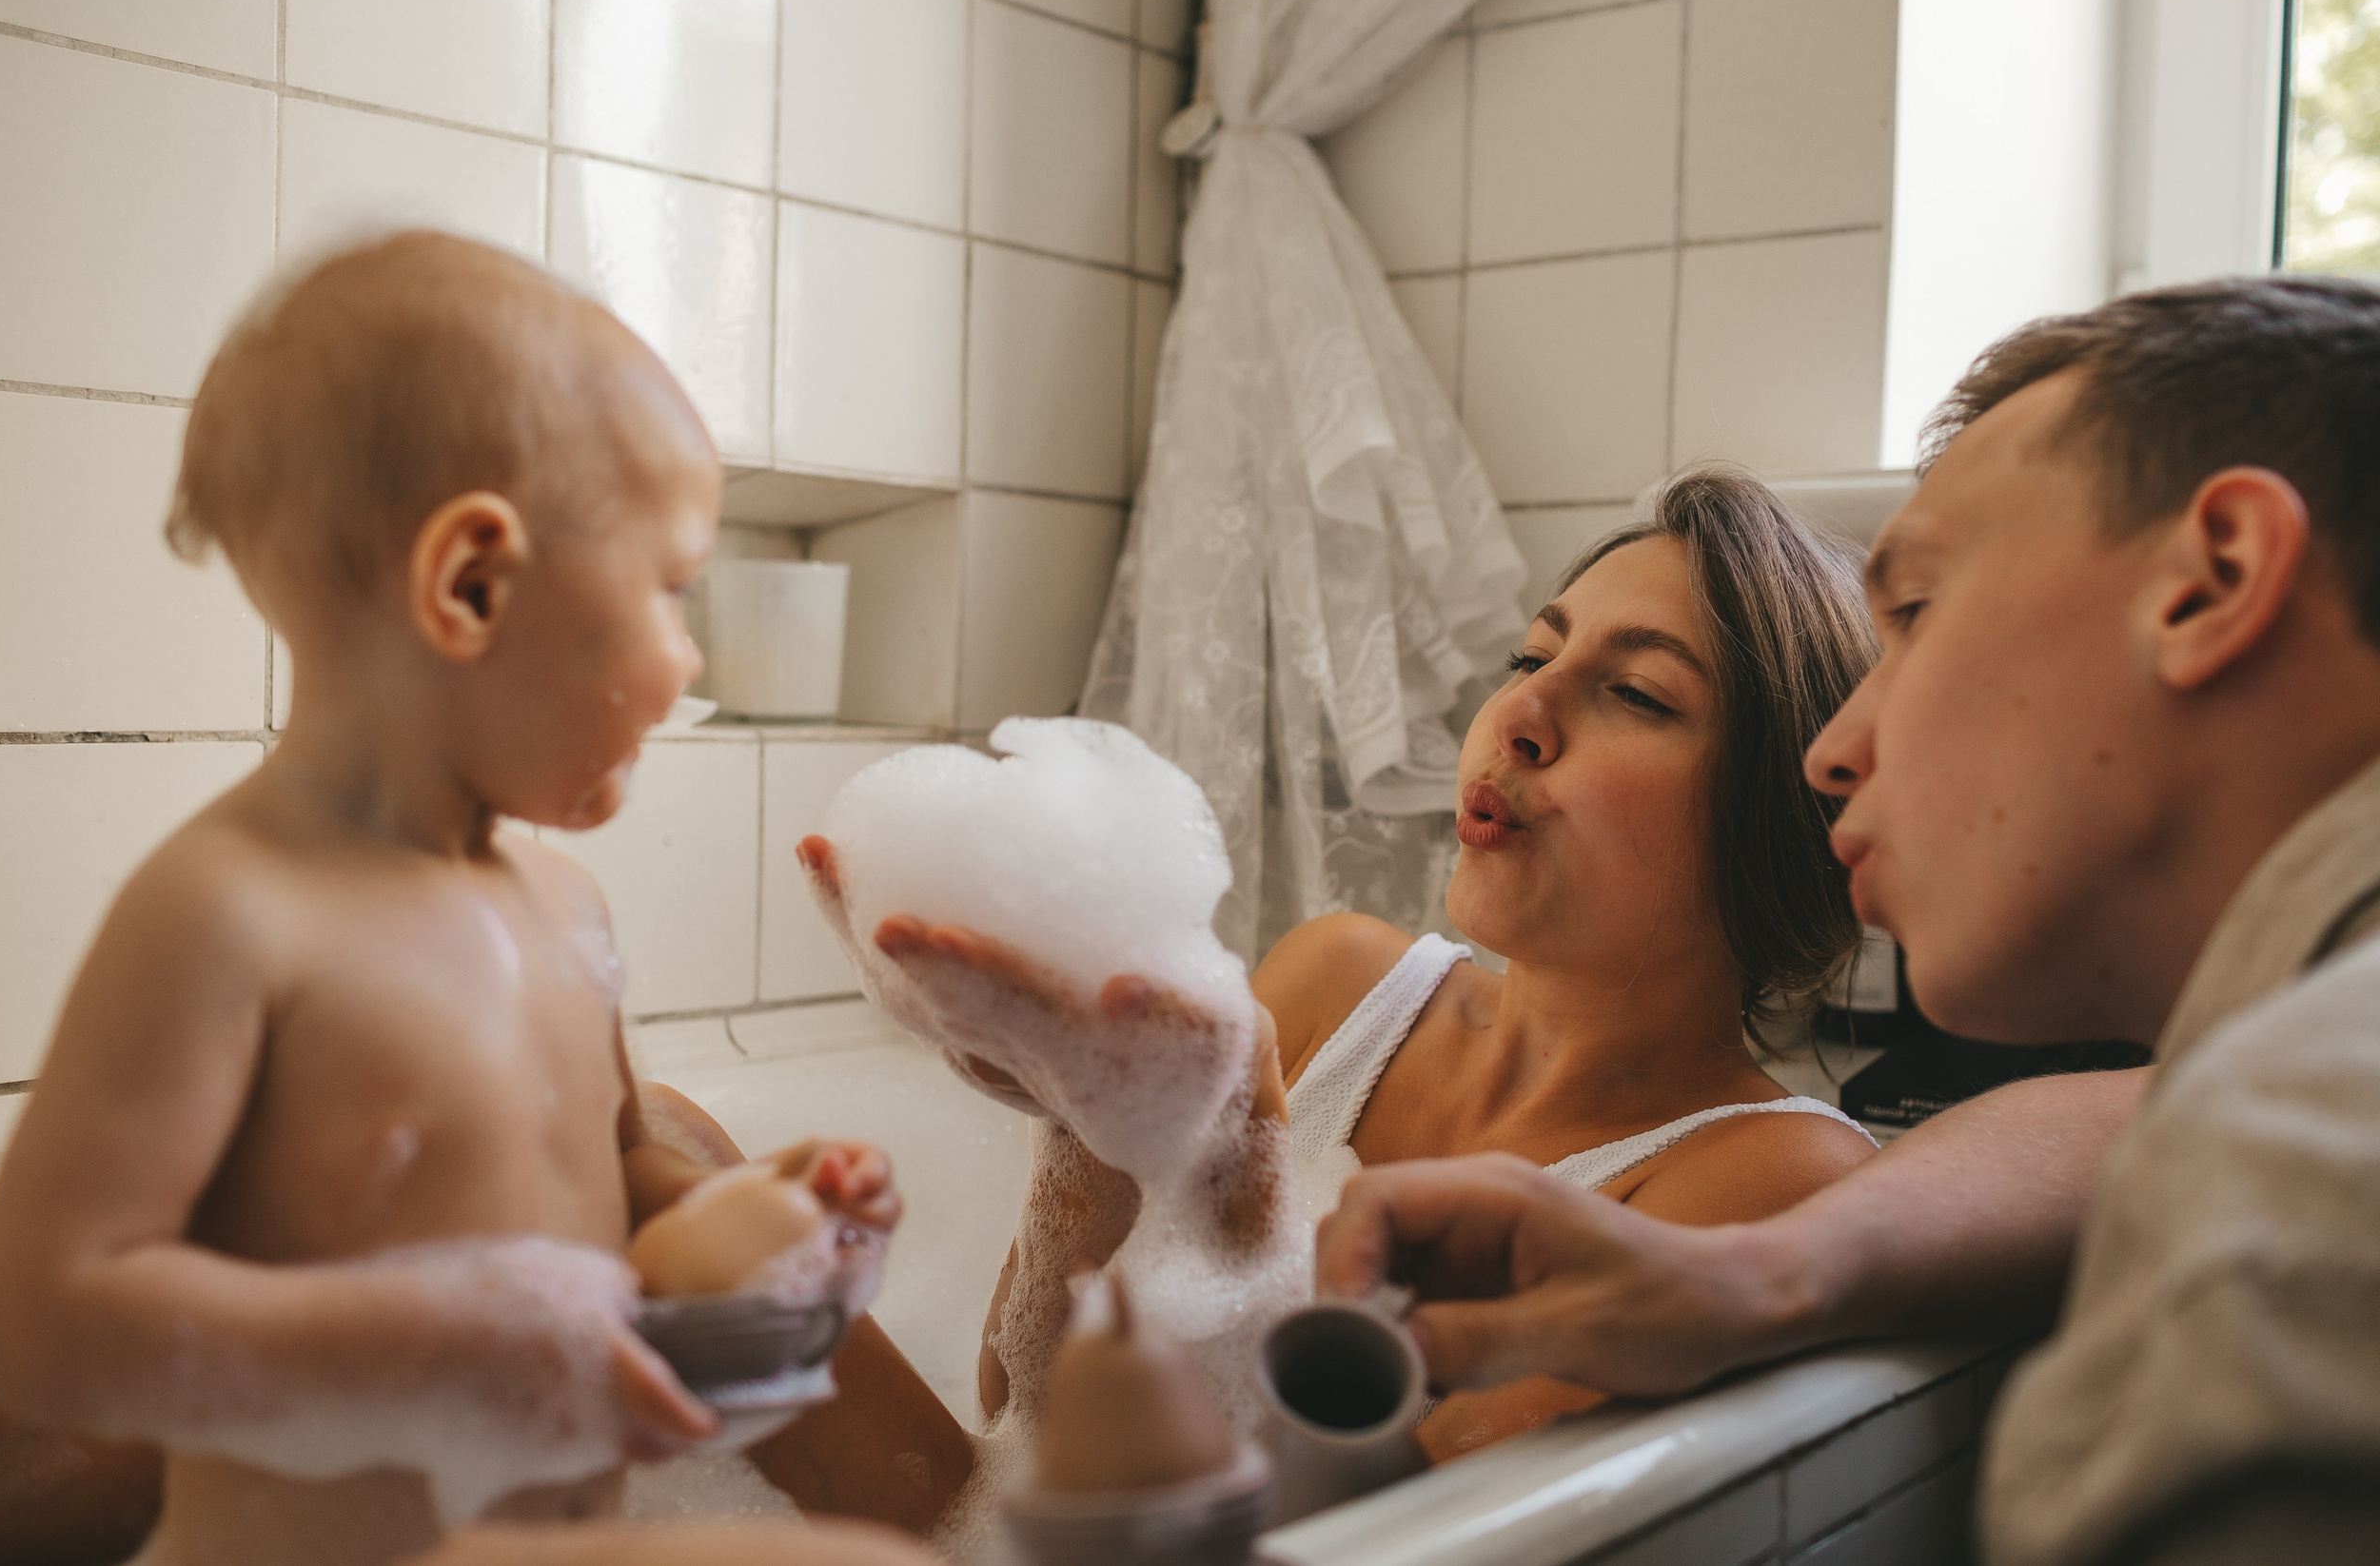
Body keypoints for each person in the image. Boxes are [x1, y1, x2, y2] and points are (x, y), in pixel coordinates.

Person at [1312, 275, 2380, 1564]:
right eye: (1535, 656)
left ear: (2213, 579)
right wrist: (1761, 1275)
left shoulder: (2310, 1175)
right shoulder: (2275, 1074)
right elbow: (2135, 1111)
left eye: (1917, 615)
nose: (1837, 751)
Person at [0, 232, 904, 1566]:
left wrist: (762, 1231)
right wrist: (430, 1346)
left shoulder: (563, 905)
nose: (690, 649)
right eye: (671, 585)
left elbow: (610, 1185)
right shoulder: (229, 914)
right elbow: (40, 1324)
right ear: (472, 584)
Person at [793, 466, 1888, 1498]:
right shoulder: (1341, 980)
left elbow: (1391, 1539)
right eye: (1528, 658)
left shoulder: (1771, 1174)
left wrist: (1225, 1146)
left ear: (1775, 822)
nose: (1519, 715)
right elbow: (1021, 1417)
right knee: (672, 1147)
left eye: (1637, 695)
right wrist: (1083, 1114)